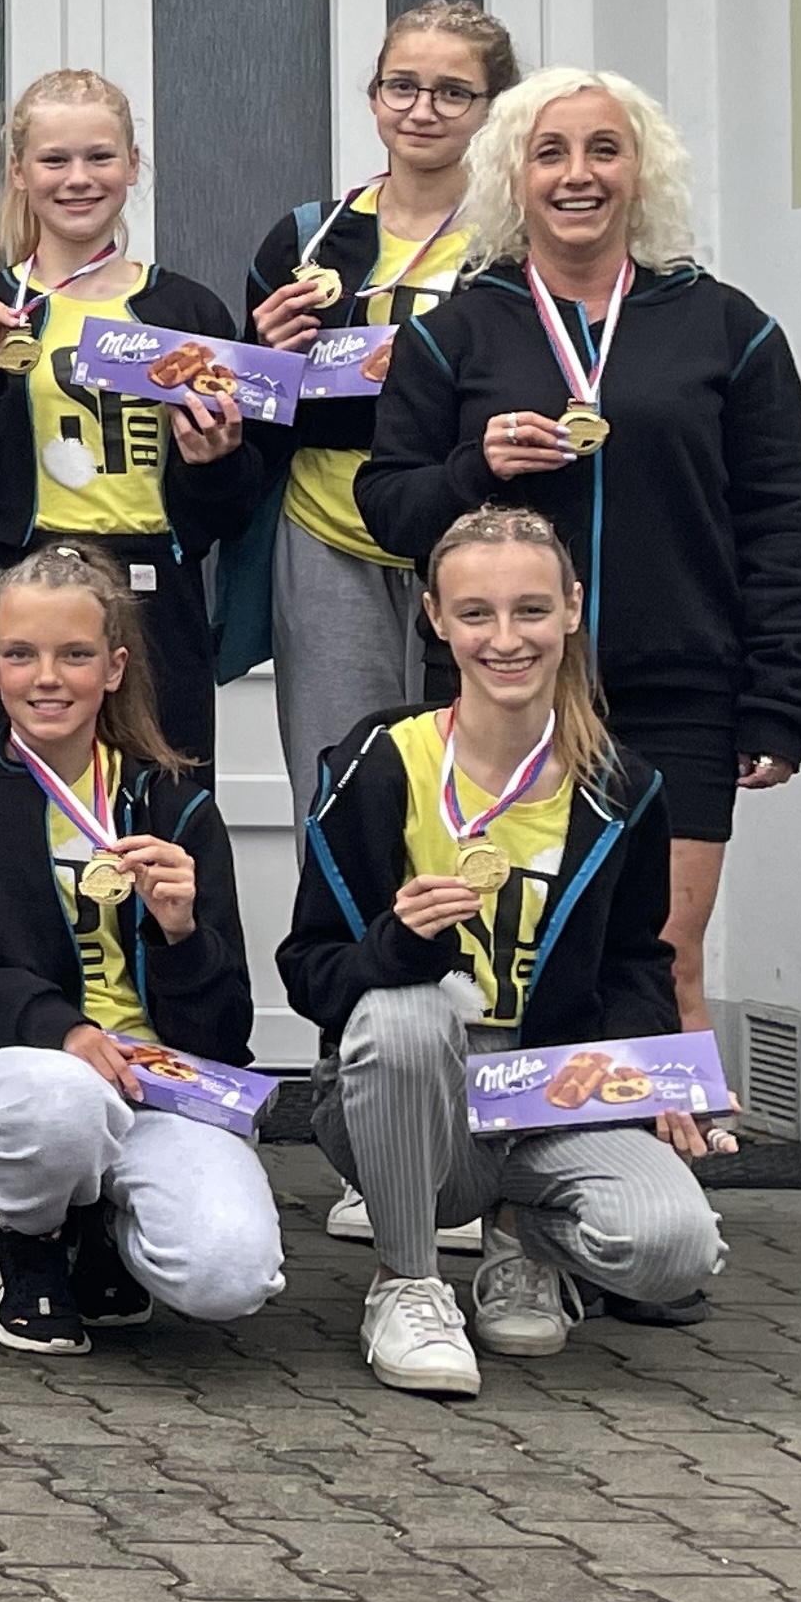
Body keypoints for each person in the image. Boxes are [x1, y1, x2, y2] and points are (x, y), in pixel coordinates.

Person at [357, 67, 801, 1033]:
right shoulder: (453, 335)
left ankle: (679, 1135)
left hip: (676, 694)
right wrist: (476, 468)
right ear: (513, 177)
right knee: (500, 964)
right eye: (551, 153)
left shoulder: (727, 328)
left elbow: (782, 521)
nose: (579, 175)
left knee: (669, 964)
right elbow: (390, 510)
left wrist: (781, 695)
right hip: (501, 697)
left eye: (604, 150)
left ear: (641, 172)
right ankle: (478, 1134)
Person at [283, 504, 730, 1397]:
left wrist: (652, 1080)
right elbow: (310, 969)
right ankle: (407, 1281)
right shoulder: (379, 760)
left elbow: (636, 965)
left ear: (572, 608)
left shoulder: (624, 786)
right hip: (412, 1095)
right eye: (476, 613)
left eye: (531, 610)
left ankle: (523, 1242)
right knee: (404, 1018)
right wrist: (394, 945)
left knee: (675, 1249)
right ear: (435, 619)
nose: (506, 639)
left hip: (548, 1097)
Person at [0, 544, 279, 1356]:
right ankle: (27, 1233)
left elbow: (222, 1037)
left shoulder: (174, 803)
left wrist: (181, 936)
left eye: (75, 655)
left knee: (228, 1275)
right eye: (21, 655)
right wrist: (54, 1026)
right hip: (10, 1083)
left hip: (151, 1087)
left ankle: (103, 1226)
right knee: (64, 1101)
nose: (47, 678)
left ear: (115, 667)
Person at [0, 70, 257, 766]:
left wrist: (215, 461)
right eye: (54, 159)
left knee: (163, 799)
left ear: (133, 165)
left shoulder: (186, 312)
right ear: (19, 172)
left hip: (154, 598)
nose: (78, 179)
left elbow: (232, 510)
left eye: (100, 157)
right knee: (8, 802)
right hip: (17, 592)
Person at [241, 1, 511, 790]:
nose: (423, 110)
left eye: (453, 92)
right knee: (340, 779)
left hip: (475, 532)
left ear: (493, 109)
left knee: (476, 775)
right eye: (403, 86)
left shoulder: (516, 240)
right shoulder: (309, 237)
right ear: (373, 97)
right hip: (329, 534)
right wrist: (266, 354)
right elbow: (256, 412)